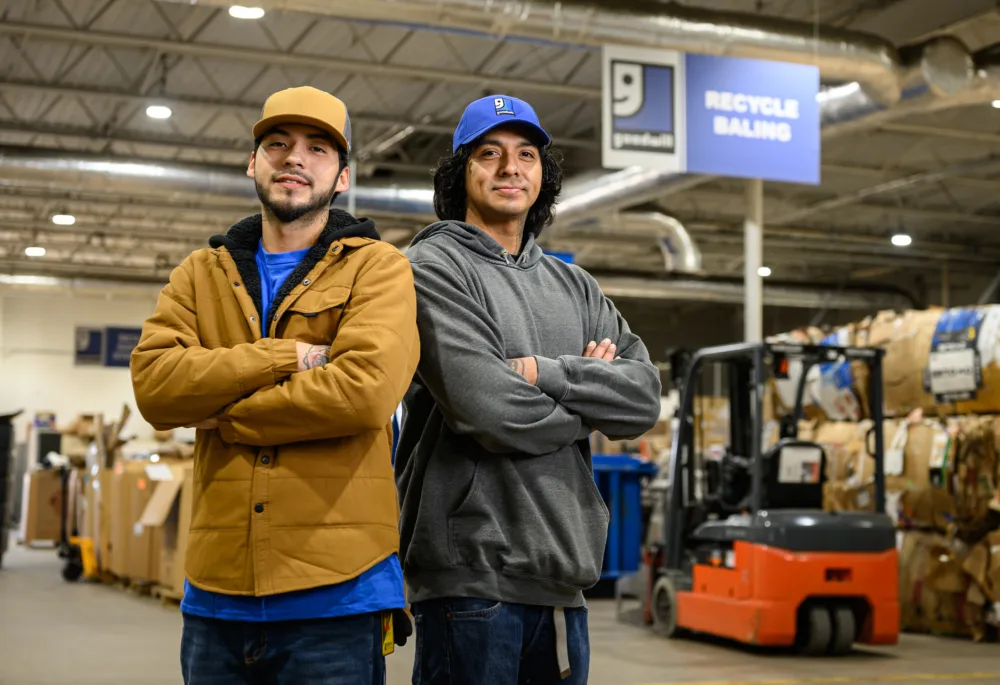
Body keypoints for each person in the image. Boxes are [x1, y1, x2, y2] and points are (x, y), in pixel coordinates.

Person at [130, 85, 420, 685]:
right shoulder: (198, 274)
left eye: (318, 149)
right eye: (278, 144)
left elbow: (364, 392)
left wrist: (223, 414)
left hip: (337, 595)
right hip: (216, 596)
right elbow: (156, 389)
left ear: (342, 176)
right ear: (253, 162)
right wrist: (283, 356)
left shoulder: (377, 267)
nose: (295, 158)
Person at [395, 94, 662, 684]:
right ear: (460, 172)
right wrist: (591, 400)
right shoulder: (431, 267)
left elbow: (643, 396)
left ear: (543, 174)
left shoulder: (575, 285)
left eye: (525, 155)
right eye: (489, 154)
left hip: (564, 580)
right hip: (472, 580)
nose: (510, 168)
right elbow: (490, 410)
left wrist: (550, 373)